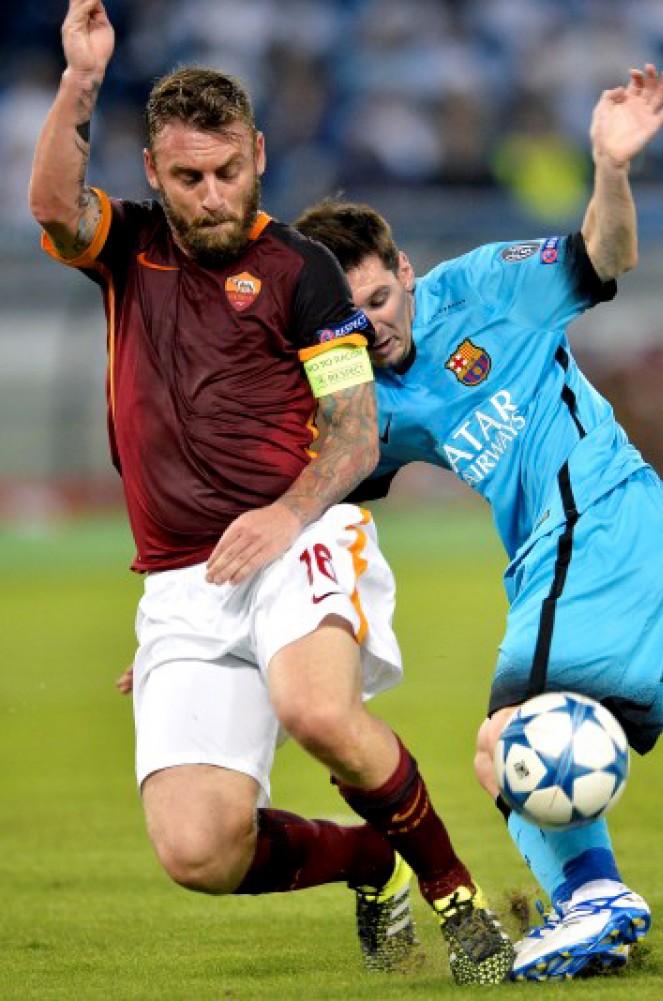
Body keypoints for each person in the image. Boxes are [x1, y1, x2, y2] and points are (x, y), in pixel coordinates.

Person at [29, 0, 516, 985]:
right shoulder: (127, 250)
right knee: (198, 849)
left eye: (227, 171)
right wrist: (80, 82)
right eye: (188, 178)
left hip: (302, 532)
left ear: (256, 154)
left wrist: (286, 512)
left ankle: (458, 900)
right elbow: (51, 206)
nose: (211, 196)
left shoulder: (302, 270)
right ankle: (369, 859)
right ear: (154, 172)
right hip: (183, 580)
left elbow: (354, 430)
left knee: (315, 710)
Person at [293, 65, 663, 981]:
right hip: (629, 552)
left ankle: (596, 900)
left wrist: (611, 168)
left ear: (405, 271)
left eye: (381, 300)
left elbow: (606, 257)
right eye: (349, 319)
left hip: (600, 530)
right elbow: (315, 493)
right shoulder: (361, 397)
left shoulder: (487, 286)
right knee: (500, 751)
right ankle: (589, 909)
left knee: (514, 737)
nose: (373, 328)